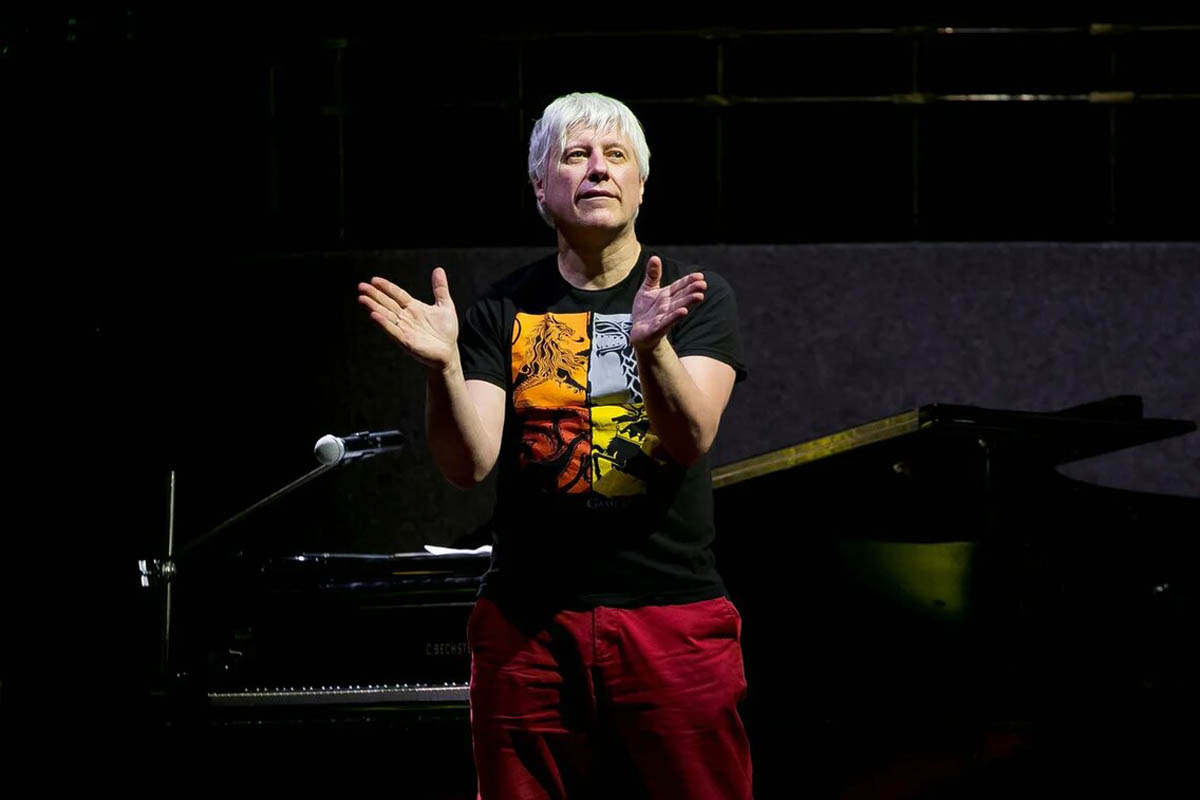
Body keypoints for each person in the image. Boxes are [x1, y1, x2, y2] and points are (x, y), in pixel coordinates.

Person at [358, 92, 751, 799]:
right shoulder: (500, 310)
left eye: (615, 156)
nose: (598, 169)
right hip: (528, 629)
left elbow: (690, 437)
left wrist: (651, 348)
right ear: (541, 187)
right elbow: (467, 464)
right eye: (576, 156)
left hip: (670, 617)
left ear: (640, 185)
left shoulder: (695, 297)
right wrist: (443, 368)